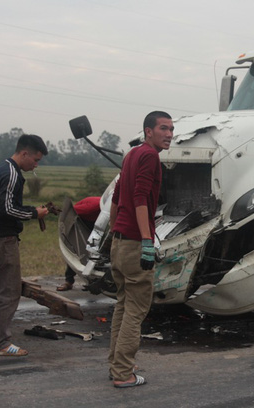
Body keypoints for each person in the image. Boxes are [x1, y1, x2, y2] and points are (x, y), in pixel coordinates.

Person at [108, 111, 173, 388]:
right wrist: (147, 241)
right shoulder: (149, 156)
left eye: (171, 129)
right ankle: (123, 373)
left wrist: (114, 232)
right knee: (135, 311)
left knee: (123, 307)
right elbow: (138, 198)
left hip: (121, 242)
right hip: (135, 243)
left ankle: (116, 364)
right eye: (163, 128)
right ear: (148, 131)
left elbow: (116, 195)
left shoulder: (131, 154)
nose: (169, 134)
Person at [0, 134, 49, 356]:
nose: (36, 165)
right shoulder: (11, 174)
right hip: (3, 241)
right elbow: (7, 209)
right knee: (8, 293)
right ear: (24, 153)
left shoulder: (0, 168)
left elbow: (6, 205)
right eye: (35, 160)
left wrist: (28, 209)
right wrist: (34, 213)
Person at [56, 196, 101, 291]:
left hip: (97, 222)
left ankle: (93, 281)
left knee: (97, 250)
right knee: (77, 250)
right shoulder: (91, 208)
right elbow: (70, 213)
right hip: (81, 221)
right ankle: (69, 281)